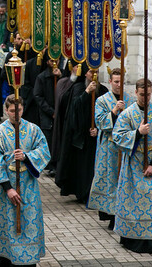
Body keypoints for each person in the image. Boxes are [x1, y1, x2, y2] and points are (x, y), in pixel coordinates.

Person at [0, 94, 50, 266]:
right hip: (7, 189)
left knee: (28, 224)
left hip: (28, 187)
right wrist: (8, 188)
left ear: (23, 108)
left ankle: (28, 261)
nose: (16, 114)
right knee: (8, 225)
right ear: (6, 111)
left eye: (18, 110)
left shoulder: (34, 130)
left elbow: (44, 151)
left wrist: (27, 157)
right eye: (12, 111)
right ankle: (6, 259)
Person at [112, 78, 152, 258]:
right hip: (133, 167)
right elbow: (117, 137)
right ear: (135, 93)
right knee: (134, 204)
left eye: (148, 94)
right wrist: (138, 134)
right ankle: (133, 238)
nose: (145, 98)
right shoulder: (127, 114)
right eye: (142, 95)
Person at [86, 68, 136, 229]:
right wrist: (114, 111)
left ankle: (123, 212)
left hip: (125, 148)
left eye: (121, 82)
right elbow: (100, 121)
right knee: (110, 180)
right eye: (115, 82)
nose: (118, 85)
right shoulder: (102, 100)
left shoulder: (130, 100)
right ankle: (111, 214)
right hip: (108, 148)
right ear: (110, 82)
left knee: (124, 180)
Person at [54, 64, 108, 203]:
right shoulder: (78, 88)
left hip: (97, 135)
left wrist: (98, 128)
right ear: (85, 74)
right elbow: (74, 109)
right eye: (91, 72)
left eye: (95, 71)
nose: (93, 74)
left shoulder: (103, 90)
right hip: (81, 135)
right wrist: (86, 93)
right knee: (83, 168)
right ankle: (83, 193)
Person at [32, 57, 64, 175]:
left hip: (60, 113)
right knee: (49, 138)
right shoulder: (42, 77)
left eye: (57, 60)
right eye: (51, 61)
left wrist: (61, 76)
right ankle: (50, 164)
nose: (55, 63)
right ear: (47, 62)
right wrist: (51, 111)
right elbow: (38, 96)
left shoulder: (62, 75)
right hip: (47, 114)